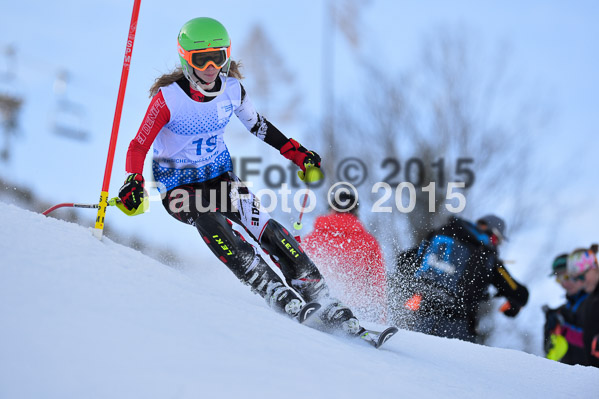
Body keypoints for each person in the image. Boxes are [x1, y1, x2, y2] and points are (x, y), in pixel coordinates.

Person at [118, 17, 361, 334]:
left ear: (226, 57)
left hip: (220, 178)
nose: (209, 67)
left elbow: (259, 126)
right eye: (200, 59)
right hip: (177, 185)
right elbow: (138, 145)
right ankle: (265, 282)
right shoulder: (169, 99)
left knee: (266, 227)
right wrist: (133, 179)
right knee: (207, 217)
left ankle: (319, 293)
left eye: (217, 58)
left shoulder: (232, 90)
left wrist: (297, 153)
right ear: (185, 59)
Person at [392, 215, 529, 342]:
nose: (497, 245)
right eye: (498, 240)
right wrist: (513, 307)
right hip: (458, 322)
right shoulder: (487, 255)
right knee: (453, 365)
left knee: (417, 354)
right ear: (493, 234)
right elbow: (520, 293)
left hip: (423, 312)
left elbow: (403, 260)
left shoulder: (445, 233)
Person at [303, 188, 387, 323]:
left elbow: (302, 272)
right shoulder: (369, 242)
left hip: (321, 305)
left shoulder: (312, 239)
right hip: (359, 311)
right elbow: (377, 283)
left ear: (331, 209)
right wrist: (381, 318)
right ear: (356, 211)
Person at [543, 253, 588, 365]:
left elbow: (591, 341)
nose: (564, 283)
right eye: (559, 279)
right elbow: (550, 351)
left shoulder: (594, 303)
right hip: (570, 376)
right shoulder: (563, 310)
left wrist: (564, 328)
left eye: (567, 277)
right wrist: (550, 328)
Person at [567, 246, 599, 367]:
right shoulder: (588, 301)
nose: (579, 283)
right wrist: (564, 329)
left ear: (594, 268)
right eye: (575, 279)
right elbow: (584, 339)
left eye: (581, 276)